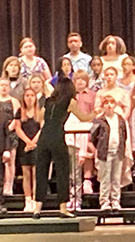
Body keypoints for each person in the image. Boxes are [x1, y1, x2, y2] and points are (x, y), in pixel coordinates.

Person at [33, 77, 96, 219]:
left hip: (43, 138)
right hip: (57, 137)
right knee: (62, 171)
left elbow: (38, 117)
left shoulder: (48, 101)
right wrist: (96, 112)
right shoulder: (70, 101)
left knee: (41, 172)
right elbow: (83, 118)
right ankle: (63, 208)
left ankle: (37, 209)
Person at [91, 95, 129, 211]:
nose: (109, 105)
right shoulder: (99, 120)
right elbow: (94, 136)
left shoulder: (120, 119)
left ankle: (116, 201)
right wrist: (101, 146)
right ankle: (104, 202)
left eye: (111, 103)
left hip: (117, 151)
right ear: (102, 106)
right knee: (105, 178)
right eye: (106, 103)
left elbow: (124, 134)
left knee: (116, 178)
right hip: (105, 153)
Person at [15, 89, 42, 212]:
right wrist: (27, 141)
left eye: (32, 95)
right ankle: (28, 200)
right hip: (24, 145)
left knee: (36, 174)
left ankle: (36, 199)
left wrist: (33, 142)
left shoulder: (40, 112)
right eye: (27, 96)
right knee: (26, 174)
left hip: (37, 145)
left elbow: (43, 128)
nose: (30, 98)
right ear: (24, 98)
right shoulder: (20, 112)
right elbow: (18, 128)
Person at [0, 78, 21, 196]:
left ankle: (9, 185)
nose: (4, 87)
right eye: (2, 85)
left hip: (10, 133)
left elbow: (18, 117)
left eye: (6, 85)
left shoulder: (14, 101)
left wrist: (10, 127)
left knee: (10, 161)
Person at [72, 70, 97, 194]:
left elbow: (95, 111)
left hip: (88, 127)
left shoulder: (92, 95)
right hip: (72, 128)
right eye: (78, 79)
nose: (80, 81)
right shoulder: (70, 95)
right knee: (74, 153)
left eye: (83, 79)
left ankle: (87, 180)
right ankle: (74, 180)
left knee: (87, 152)